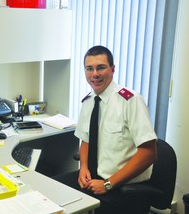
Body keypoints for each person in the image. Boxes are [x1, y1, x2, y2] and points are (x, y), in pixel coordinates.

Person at [53, 45, 157, 214]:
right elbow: (86, 140)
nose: (95, 74)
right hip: (93, 179)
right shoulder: (89, 102)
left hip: (122, 187)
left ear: (113, 69)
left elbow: (149, 153)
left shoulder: (130, 101)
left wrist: (109, 183)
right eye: (89, 69)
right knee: (49, 191)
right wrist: (84, 168)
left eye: (101, 67)